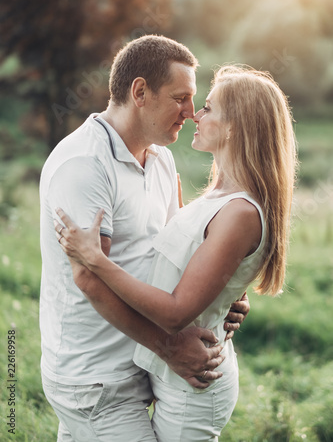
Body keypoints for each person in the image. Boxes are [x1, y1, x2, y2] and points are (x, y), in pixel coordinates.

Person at [55, 64, 297, 442]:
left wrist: (96, 260)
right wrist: (230, 293)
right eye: (186, 101)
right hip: (162, 375)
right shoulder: (218, 193)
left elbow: (175, 313)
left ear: (235, 126)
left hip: (193, 384)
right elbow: (194, 257)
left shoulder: (240, 211)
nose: (195, 114)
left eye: (208, 108)